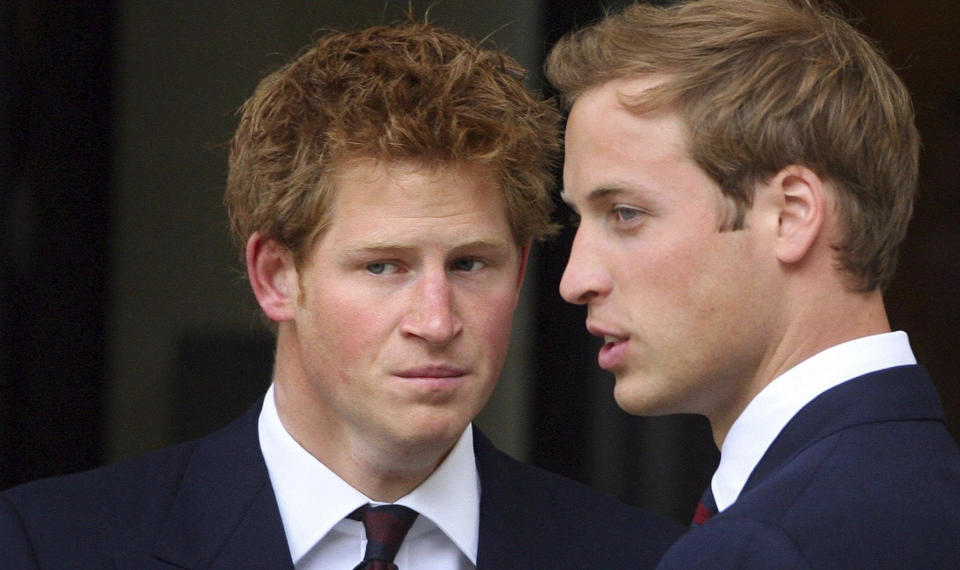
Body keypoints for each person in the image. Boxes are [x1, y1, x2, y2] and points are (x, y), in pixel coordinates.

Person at [0, 21, 685, 569]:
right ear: (276, 277)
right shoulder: (49, 544)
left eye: (472, 264)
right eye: (383, 267)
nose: (437, 320)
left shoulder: (646, 559)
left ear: (522, 270)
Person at [546, 0, 960, 567]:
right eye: (579, 220)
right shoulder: (922, 483)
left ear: (790, 214)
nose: (575, 280)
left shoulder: (762, 548)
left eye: (625, 213)